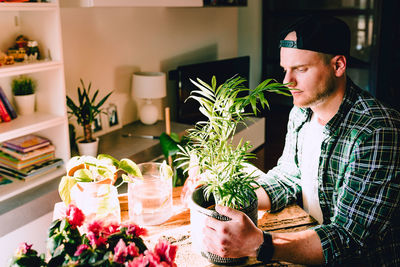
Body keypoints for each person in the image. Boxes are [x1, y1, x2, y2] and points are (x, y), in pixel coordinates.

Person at [202, 15, 400, 266]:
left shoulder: (376, 131)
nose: (287, 82)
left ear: (338, 65)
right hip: (309, 242)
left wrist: (259, 244)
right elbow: (288, 177)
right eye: (285, 69)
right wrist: (222, 193)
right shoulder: (301, 112)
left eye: (301, 69)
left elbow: (348, 240)